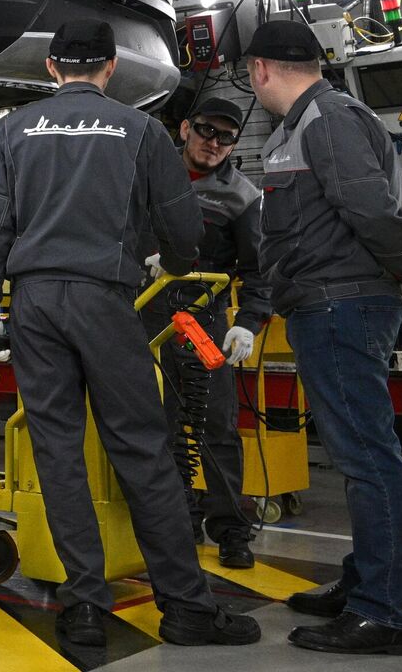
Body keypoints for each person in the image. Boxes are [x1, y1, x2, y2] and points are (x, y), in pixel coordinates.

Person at [0, 19, 260, 649]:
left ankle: (83, 608)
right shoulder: (143, 130)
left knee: (59, 454)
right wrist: (175, 265)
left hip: (36, 306)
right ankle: (185, 607)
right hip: (106, 302)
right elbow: (182, 224)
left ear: (51, 68)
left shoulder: (13, 131)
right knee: (142, 450)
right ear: (109, 69)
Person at [245, 19, 402, 656]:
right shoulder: (312, 120)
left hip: (340, 306)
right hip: (330, 303)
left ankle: (381, 613)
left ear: (259, 70)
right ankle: (367, 580)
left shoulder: (327, 119)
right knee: (360, 454)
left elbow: (365, 204)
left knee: (367, 457)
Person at [143, 96, 272, 569]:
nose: (213, 143)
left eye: (225, 137)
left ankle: (231, 530)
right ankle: (175, 521)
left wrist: (246, 323)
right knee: (158, 425)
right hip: (146, 317)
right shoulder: (148, 179)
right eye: (205, 131)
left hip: (205, 323)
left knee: (217, 426)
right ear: (184, 130)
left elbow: (259, 270)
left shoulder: (242, 196)